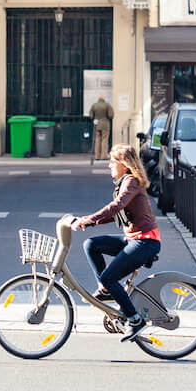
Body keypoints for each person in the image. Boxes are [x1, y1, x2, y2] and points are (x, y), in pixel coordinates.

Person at [70, 144, 160, 341]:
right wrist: (89, 221)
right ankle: (105, 291)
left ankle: (135, 319)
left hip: (145, 242)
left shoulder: (132, 182)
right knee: (91, 245)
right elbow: (117, 214)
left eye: (113, 162)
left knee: (109, 277)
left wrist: (90, 219)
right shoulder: (126, 182)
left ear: (125, 165)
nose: (109, 165)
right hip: (133, 239)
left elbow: (116, 206)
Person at [89, 95, 115, 161]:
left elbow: (91, 115)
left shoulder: (94, 105)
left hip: (97, 124)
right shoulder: (107, 105)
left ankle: (97, 156)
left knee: (97, 140)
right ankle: (104, 156)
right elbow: (111, 115)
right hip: (105, 124)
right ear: (104, 99)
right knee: (104, 140)